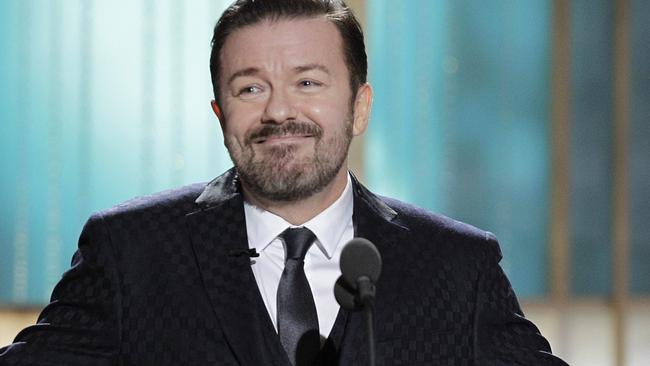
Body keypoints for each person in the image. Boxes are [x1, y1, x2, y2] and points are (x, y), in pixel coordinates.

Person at [0, 0, 568, 365]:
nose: (279, 112)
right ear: (221, 114)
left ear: (359, 107)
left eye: (308, 82)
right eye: (250, 89)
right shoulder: (131, 251)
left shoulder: (455, 265)